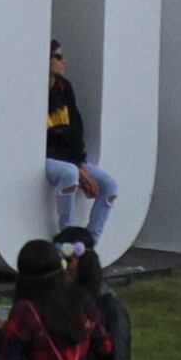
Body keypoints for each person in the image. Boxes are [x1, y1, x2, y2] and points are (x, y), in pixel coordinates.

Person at [43, 35, 122, 245]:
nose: (64, 62)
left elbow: (76, 128)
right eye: (58, 57)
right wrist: (76, 169)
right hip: (48, 158)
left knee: (110, 187)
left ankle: (88, 243)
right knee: (69, 174)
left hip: (71, 159)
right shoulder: (38, 92)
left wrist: (80, 164)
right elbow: (44, 142)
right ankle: (66, 238)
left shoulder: (64, 88)